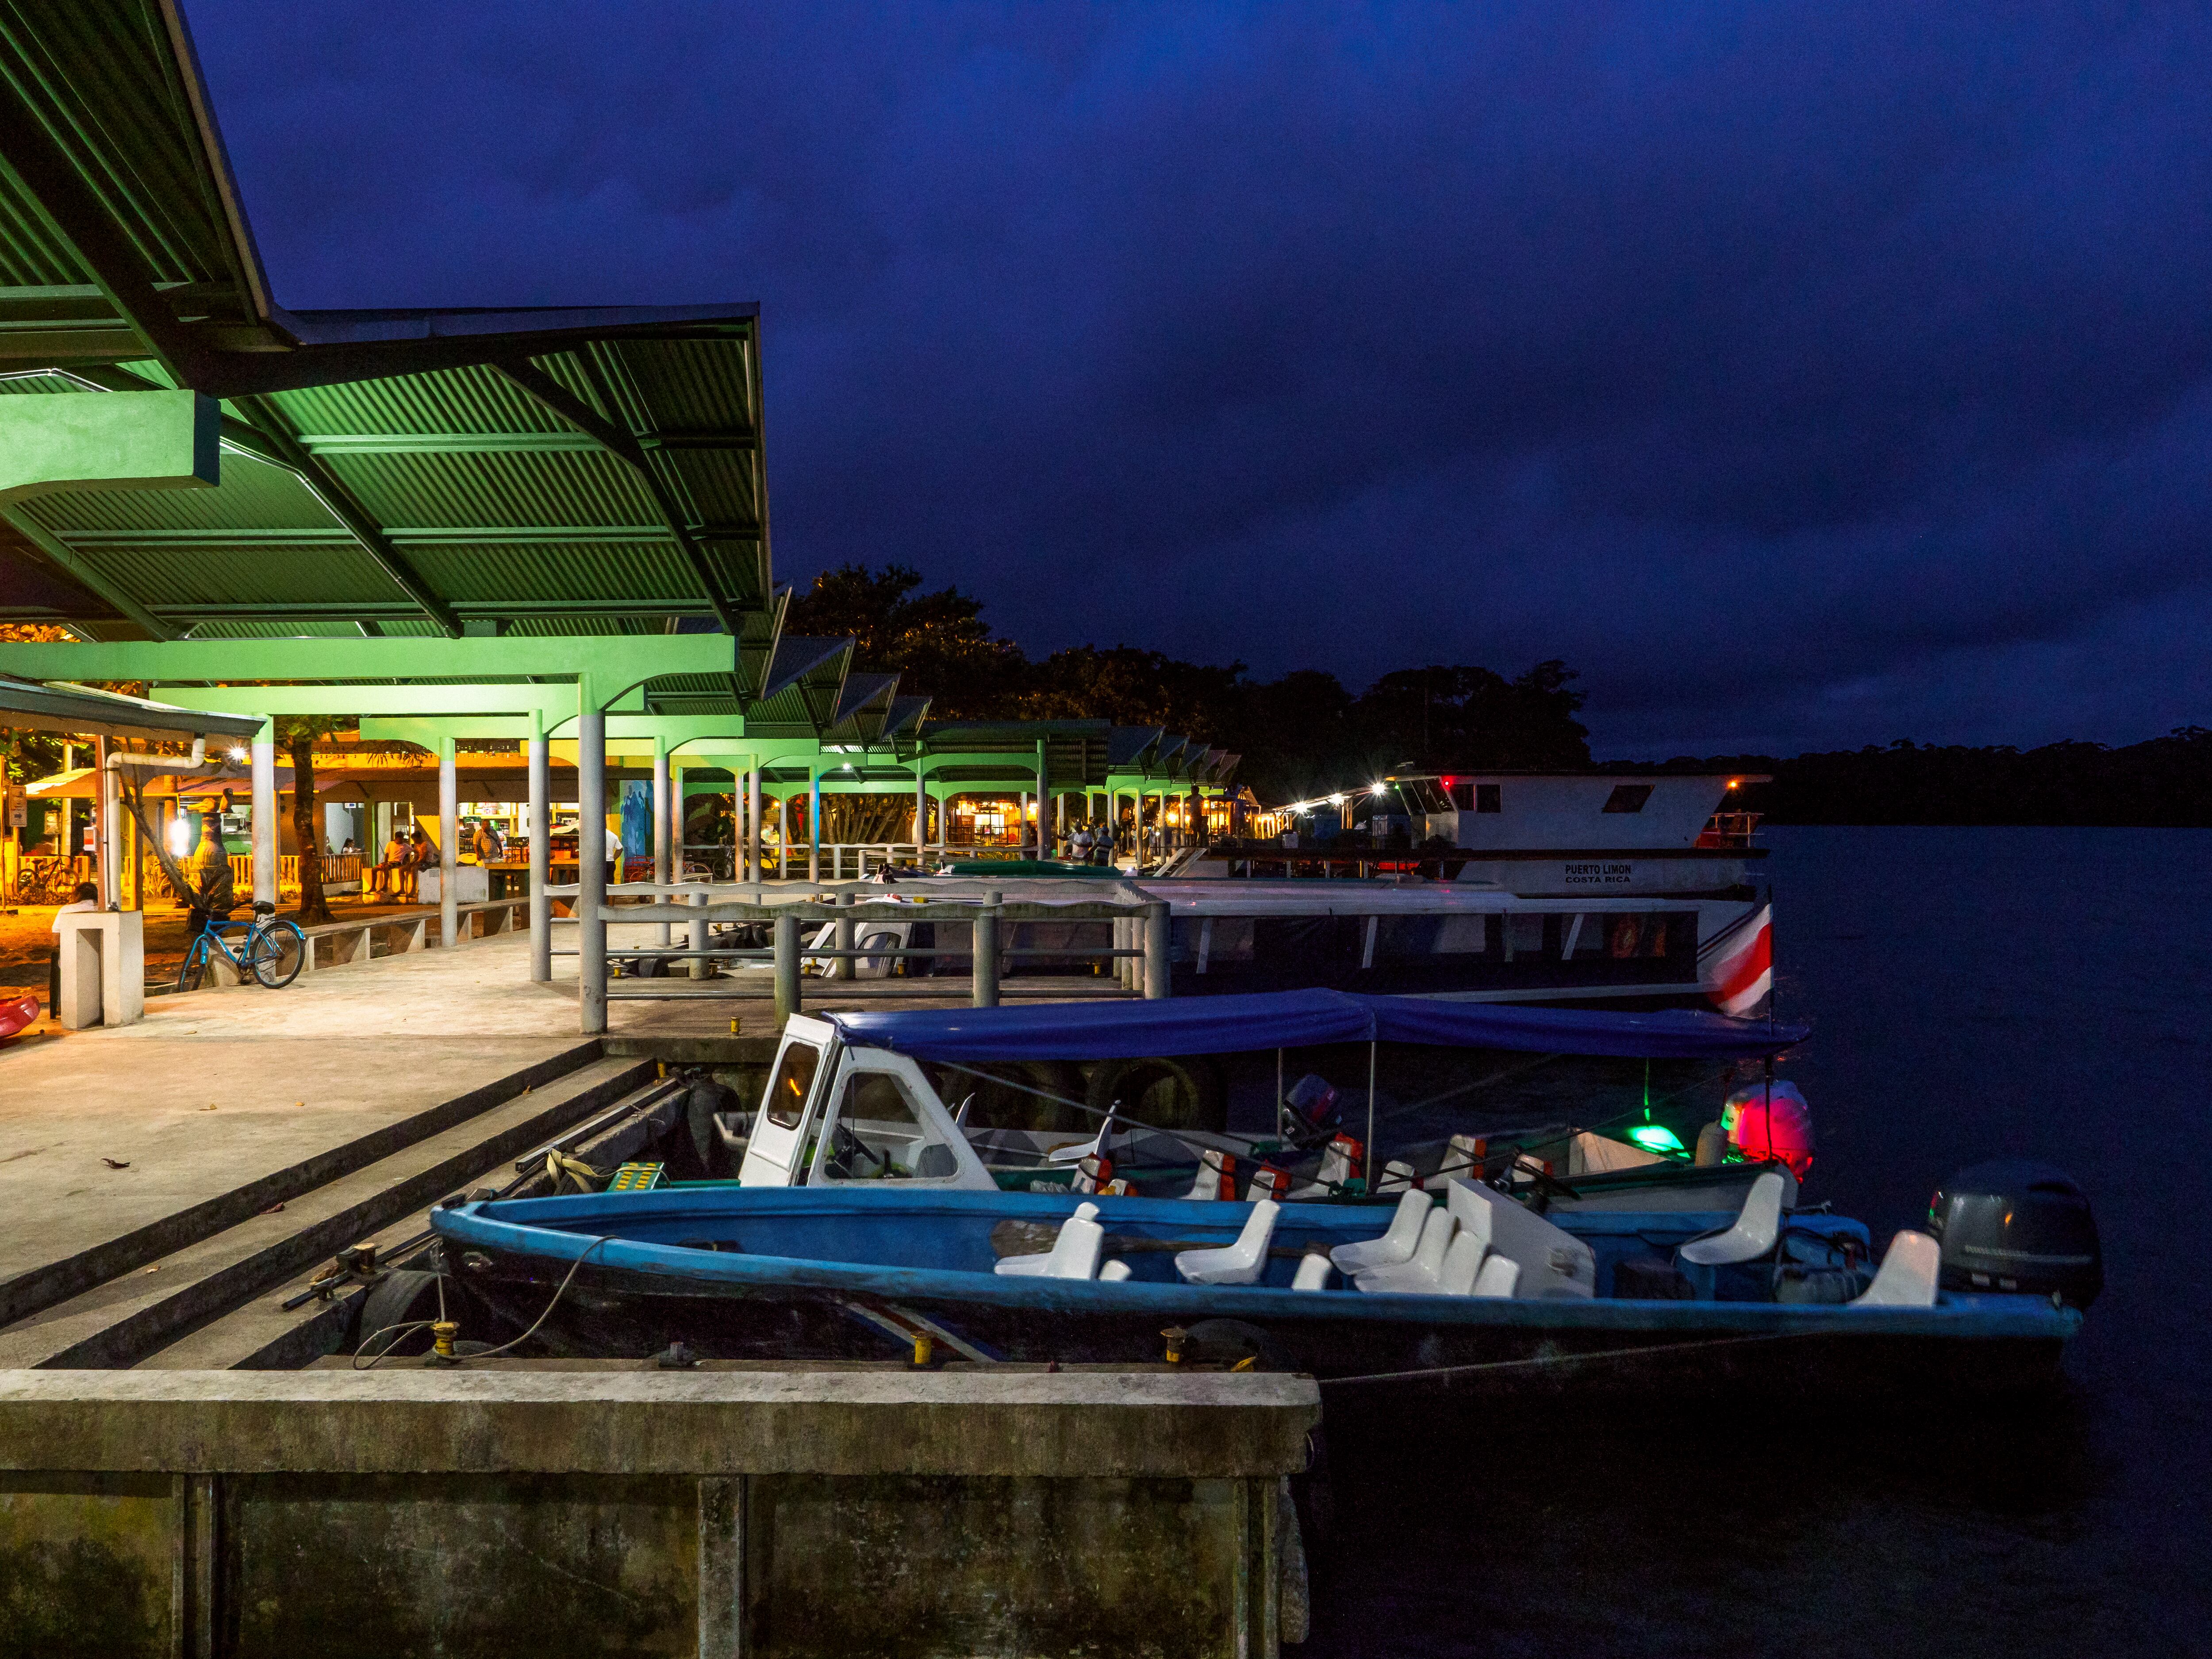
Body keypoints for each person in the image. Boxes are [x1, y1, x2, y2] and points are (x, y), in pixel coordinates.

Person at [46, 880, 99, 1013]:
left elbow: (56, 941)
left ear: (76, 895)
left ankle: (61, 1005)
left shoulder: (66, 910)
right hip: (99, 957)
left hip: (71, 959)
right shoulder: (101, 909)